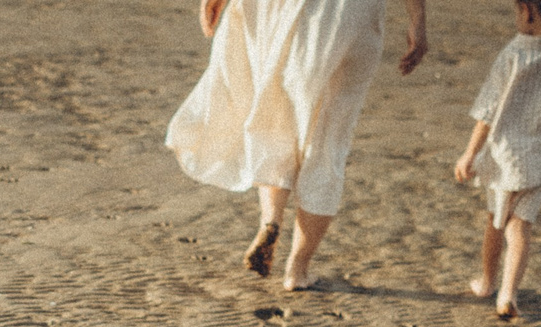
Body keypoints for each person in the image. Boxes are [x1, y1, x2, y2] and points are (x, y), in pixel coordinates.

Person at [167, 0, 428, 292]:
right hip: (351, 13)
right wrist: (417, 20)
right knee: (328, 141)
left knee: (277, 116)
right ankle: (297, 269)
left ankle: (271, 220)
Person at [452, 0, 541, 320]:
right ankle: (508, 295)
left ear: (526, 11)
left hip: (505, 158)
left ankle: (488, 283)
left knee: (496, 222)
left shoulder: (513, 54)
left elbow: (488, 110)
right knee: (521, 227)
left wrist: (470, 152)